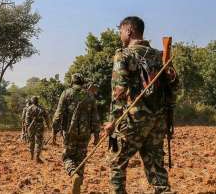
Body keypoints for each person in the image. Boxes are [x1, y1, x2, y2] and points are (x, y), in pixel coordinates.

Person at [104, 16, 178, 194]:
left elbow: (119, 91)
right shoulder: (161, 56)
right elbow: (174, 88)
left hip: (133, 119)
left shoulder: (124, 54)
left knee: (116, 163)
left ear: (129, 31)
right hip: (158, 120)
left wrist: (112, 121)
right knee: (155, 166)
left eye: (121, 31)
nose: (120, 35)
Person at [51, 74, 100, 194]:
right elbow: (95, 117)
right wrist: (97, 135)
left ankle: (74, 175)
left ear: (72, 82)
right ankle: (79, 180)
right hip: (85, 133)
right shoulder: (90, 95)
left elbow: (58, 114)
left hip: (69, 133)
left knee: (67, 157)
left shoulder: (66, 93)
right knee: (81, 157)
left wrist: (54, 132)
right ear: (82, 82)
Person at [25, 96, 49, 163]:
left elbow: (27, 119)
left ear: (32, 101)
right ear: (37, 101)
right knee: (39, 141)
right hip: (39, 126)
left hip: (31, 126)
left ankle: (31, 156)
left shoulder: (29, 108)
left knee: (31, 141)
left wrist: (27, 127)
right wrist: (48, 125)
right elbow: (46, 117)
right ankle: (37, 157)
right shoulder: (41, 108)